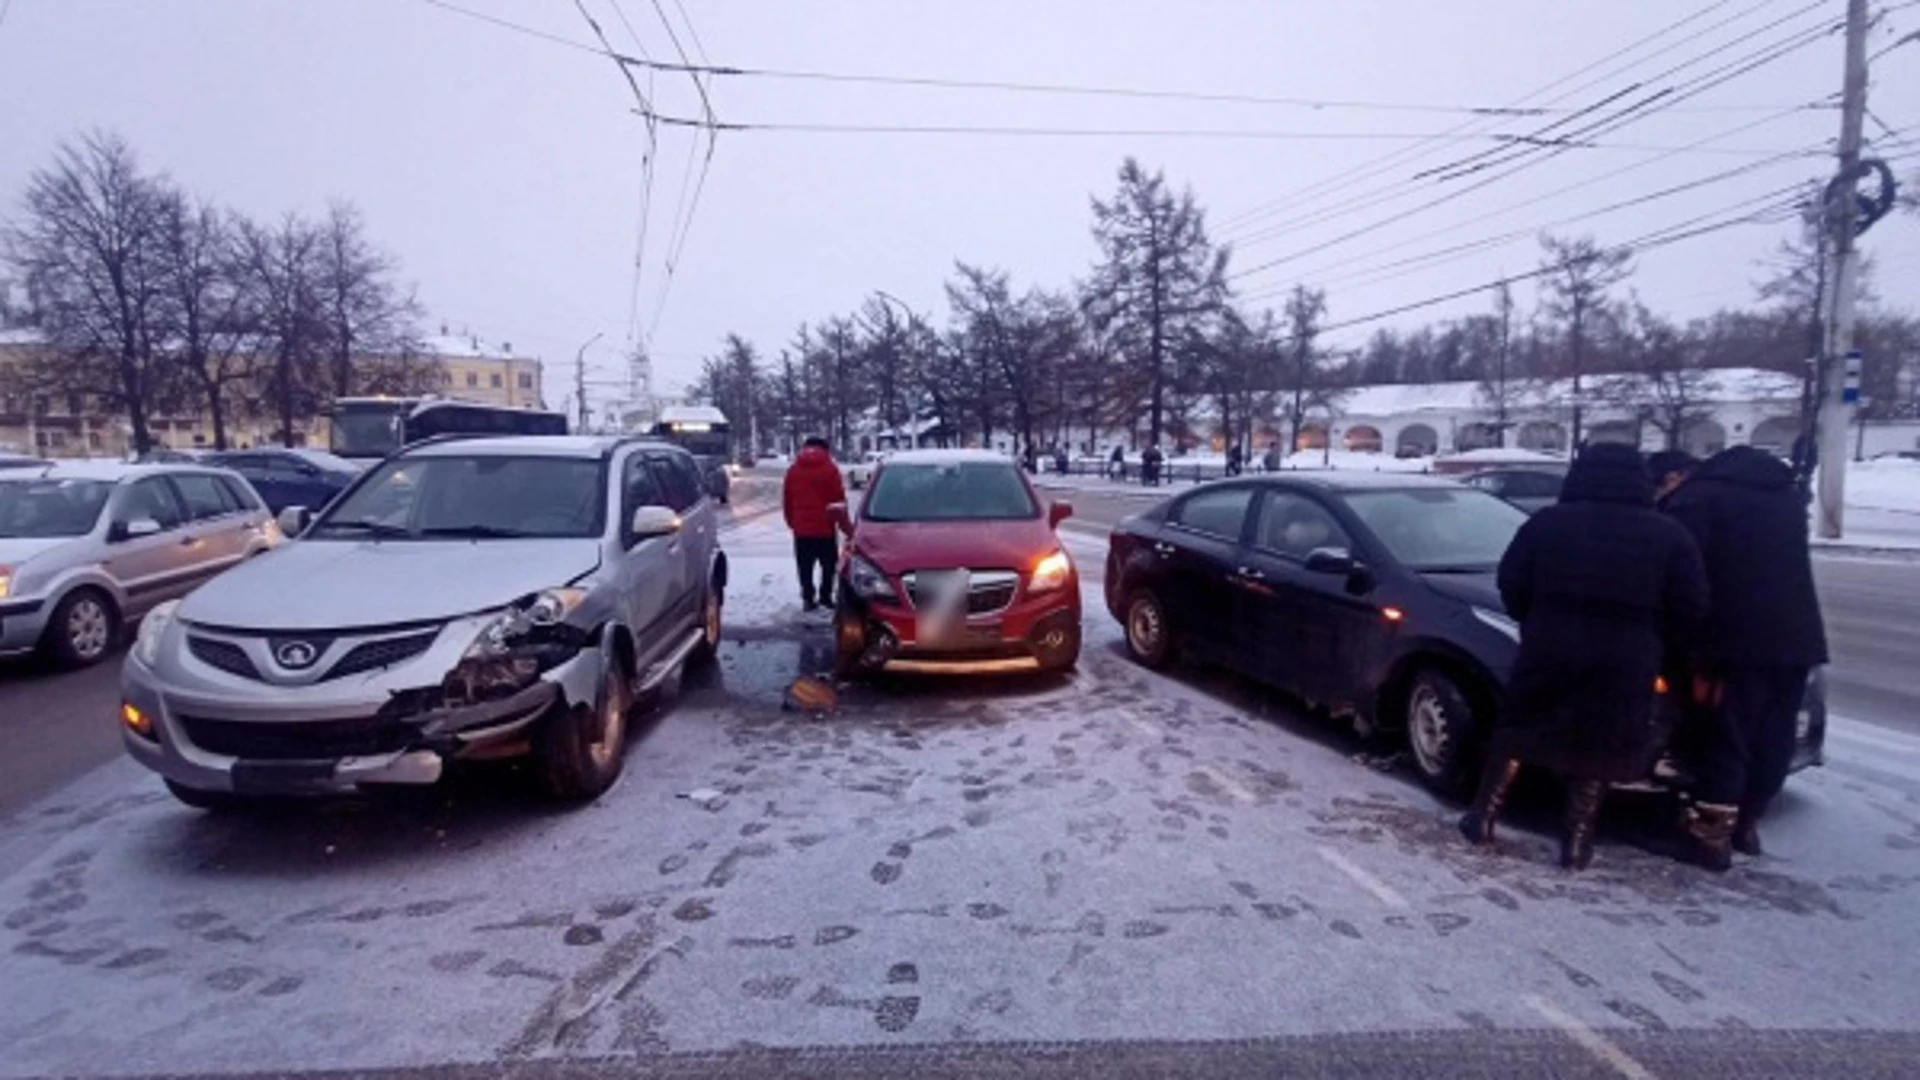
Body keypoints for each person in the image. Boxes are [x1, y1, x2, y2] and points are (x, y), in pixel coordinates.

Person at [1460, 442, 1708, 870]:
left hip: (1551, 644)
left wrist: (1535, 619)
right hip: (1627, 656)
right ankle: (1576, 841)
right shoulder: (1668, 534)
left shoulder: (1548, 524)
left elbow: (1512, 580)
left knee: (1522, 726)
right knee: (1600, 741)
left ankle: (1483, 817)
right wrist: (1655, 641)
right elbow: (1691, 604)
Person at [1661, 445, 1829, 870]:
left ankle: (1708, 840)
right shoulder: (1783, 496)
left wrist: (1687, 645)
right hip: (1797, 640)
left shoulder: (1698, 500)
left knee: (1725, 736)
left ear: (1679, 476)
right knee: (1773, 734)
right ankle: (1747, 825)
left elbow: (1680, 575)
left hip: (1733, 641)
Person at [782, 436, 847, 612]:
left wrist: (792, 522)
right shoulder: (830, 469)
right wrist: (844, 526)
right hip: (825, 528)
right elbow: (838, 500)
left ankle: (808, 598)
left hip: (802, 529)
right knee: (828, 564)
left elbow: (787, 500)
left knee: (805, 566)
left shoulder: (793, 470)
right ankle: (825, 596)